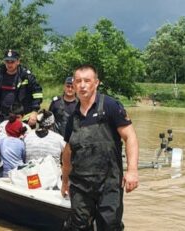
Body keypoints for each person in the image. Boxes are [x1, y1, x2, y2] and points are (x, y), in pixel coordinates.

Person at [61, 64, 139, 230]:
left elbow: (130, 136)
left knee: (109, 225)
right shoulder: (72, 118)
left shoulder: (111, 106)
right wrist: (65, 180)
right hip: (80, 185)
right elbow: (67, 152)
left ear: (96, 83)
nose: (82, 85)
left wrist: (132, 171)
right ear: (73, 85)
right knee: (78, 226)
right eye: (78, 81)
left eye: (87, 81)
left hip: (108, 183)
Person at [0, 49, 43, 128]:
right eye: (7, 61)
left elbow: (37, 94)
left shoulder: (26, 76)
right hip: (1, 115)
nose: (9, 64)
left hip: (21, 117)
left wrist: (35, 112)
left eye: (12, 62)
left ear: (18, 62)